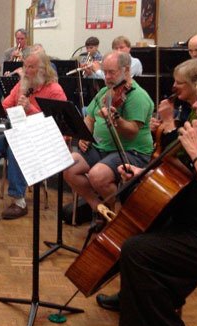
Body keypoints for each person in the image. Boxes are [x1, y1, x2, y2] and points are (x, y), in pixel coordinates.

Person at [117, 71, 197, 326]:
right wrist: (144, 175)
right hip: (196, 227)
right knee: (145, 233)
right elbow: (187, 178)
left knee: (137, 252)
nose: (195, 106)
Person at [0, 50, 66, 219]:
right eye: (25, 65)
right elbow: (4, 105)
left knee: (16, 149)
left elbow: (58, 123)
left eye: (30, 67)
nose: (26, 70)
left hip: (43, 140)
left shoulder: (54, 90)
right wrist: (5, 106)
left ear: (43, 69)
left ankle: (19, 201)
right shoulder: (22, 85)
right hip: (21, 134)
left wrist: (30, 109)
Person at [63, 51, 154, 223]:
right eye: (105, 72)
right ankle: (98, 206)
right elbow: (89, 118)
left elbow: (133, 130)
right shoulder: (105, 92)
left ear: (126, 70)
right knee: (68, 166)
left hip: (130, 152)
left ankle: (119, 212)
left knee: (98, 175)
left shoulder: (137, 96)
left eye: (111, 72)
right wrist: (85, 136)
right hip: (101, 147)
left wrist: (116, 122)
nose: (107, 77)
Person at [150, 59, 197, 150]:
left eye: (179, 82)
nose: (174, 86)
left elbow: (182, 155)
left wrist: (168, 122)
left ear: (196, 84)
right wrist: (159, 129)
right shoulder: (192, 111)